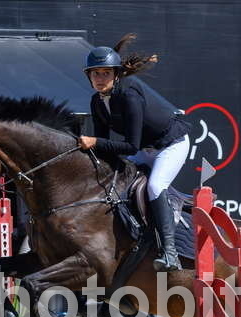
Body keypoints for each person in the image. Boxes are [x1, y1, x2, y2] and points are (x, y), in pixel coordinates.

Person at [79, 34, 191, 272]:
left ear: (116, 75)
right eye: (95, 73)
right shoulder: (96, 102)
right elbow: (104, 145)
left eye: (105, 73)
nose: (100, 79)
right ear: (88, 76)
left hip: (170, 145)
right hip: (145, 148)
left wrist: (94, 142)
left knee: (155, 186)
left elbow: (130, 146)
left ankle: (170, 253)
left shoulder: (128, 94)